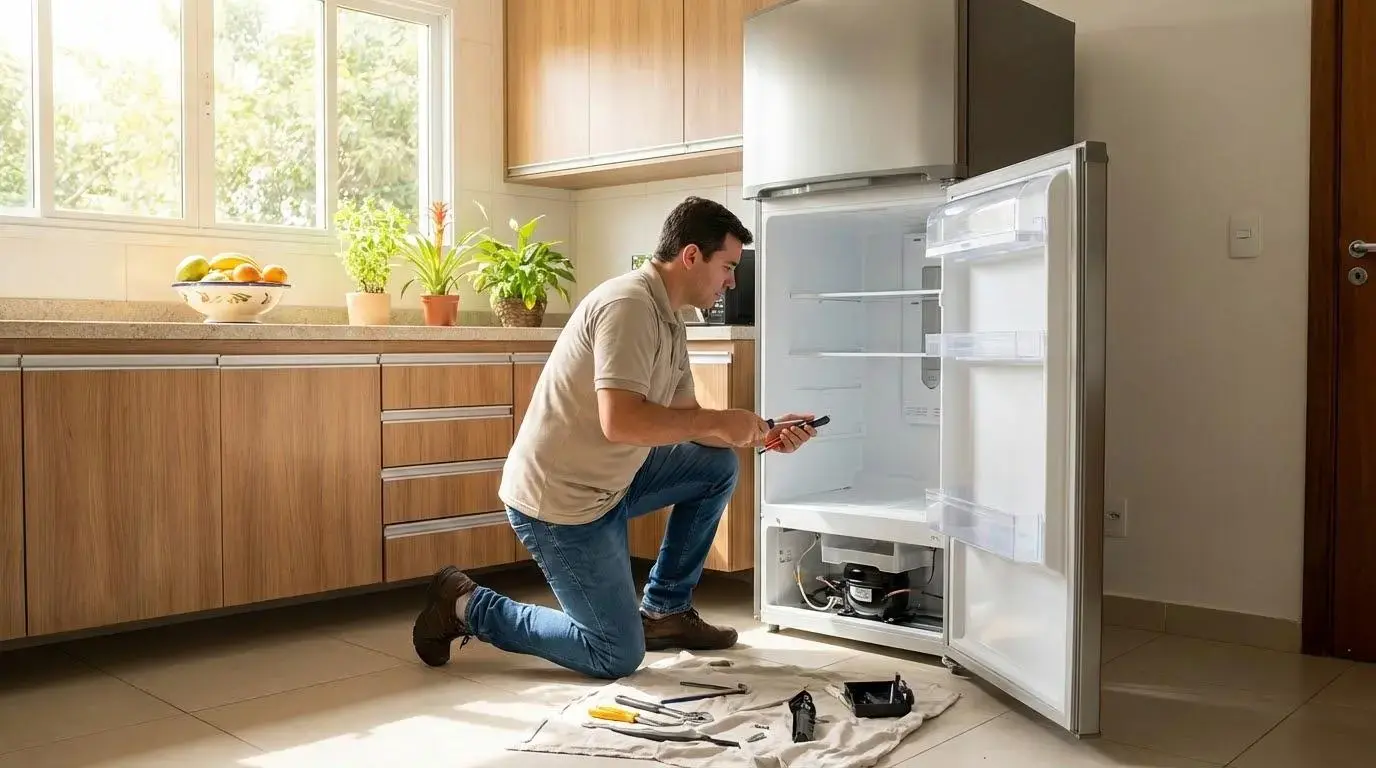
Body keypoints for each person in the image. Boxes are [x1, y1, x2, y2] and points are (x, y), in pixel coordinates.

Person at [411, 196, 817, 679]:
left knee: (717, 466)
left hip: (611, 483)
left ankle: (664, 612)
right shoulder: (629, 306)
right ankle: (465, 605)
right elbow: (621, 421)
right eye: (727, 266)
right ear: (691, 256)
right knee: (615, 654)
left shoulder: (671, 317)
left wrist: (761, 431)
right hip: (561, 502)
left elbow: (689, 419)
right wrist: (721, 422)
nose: (731, 280)